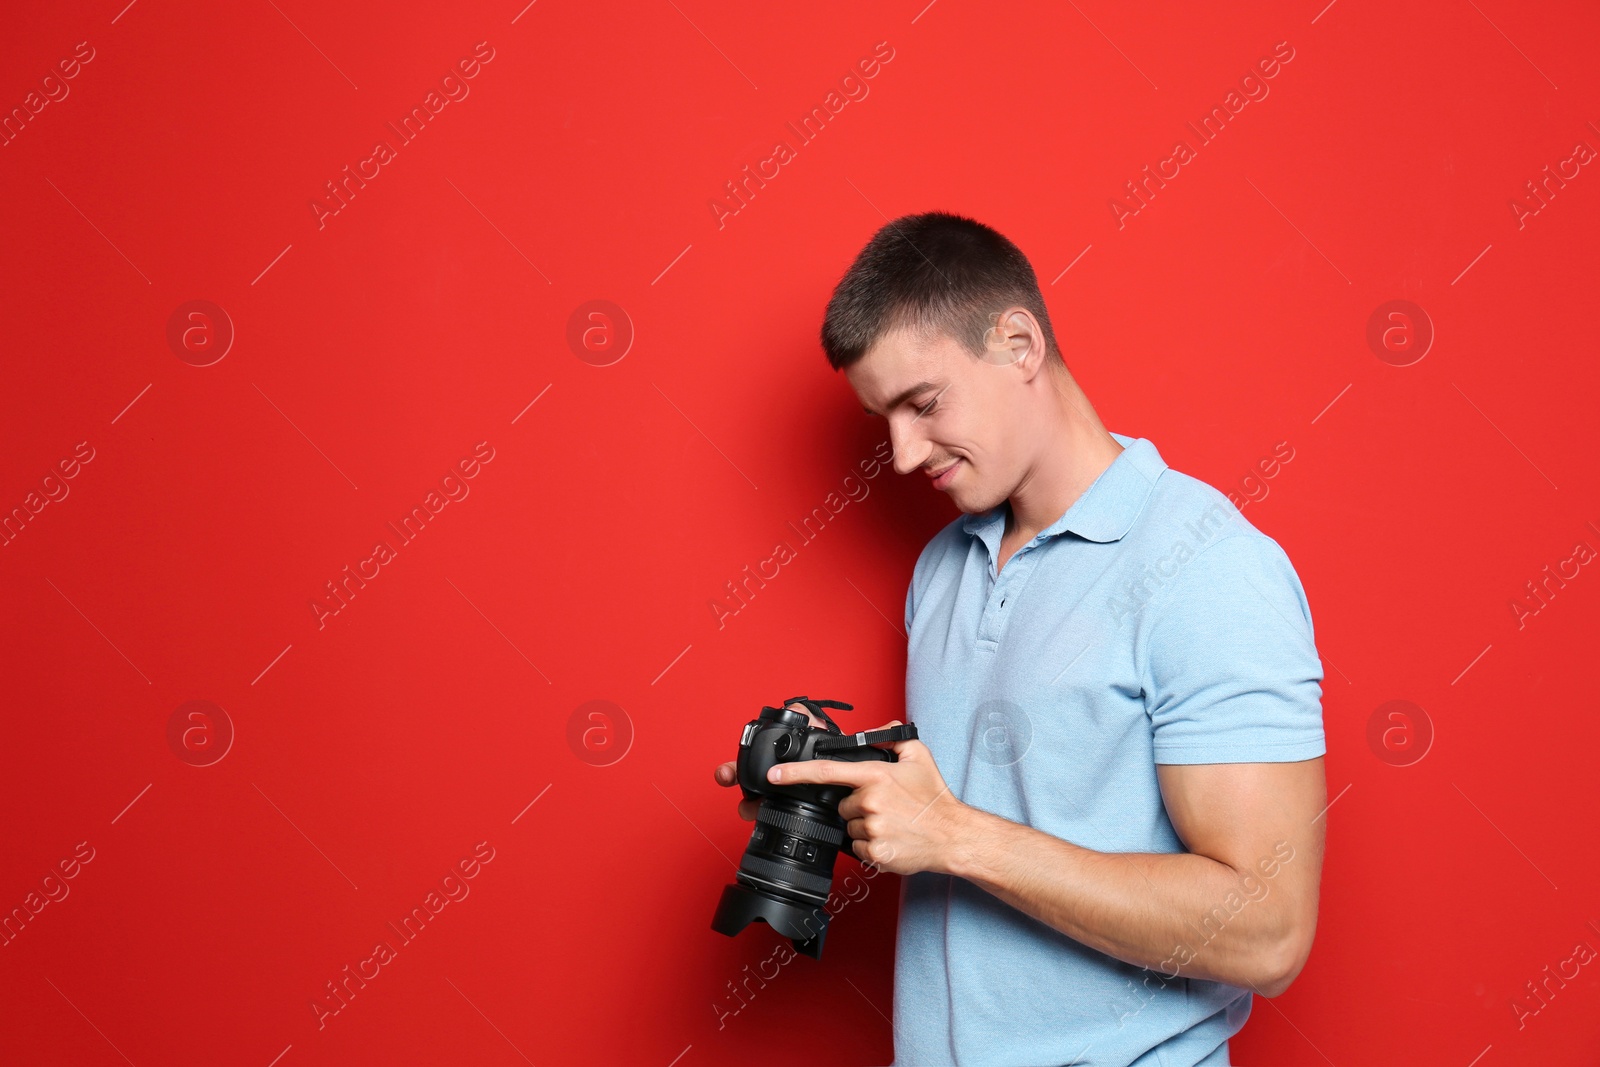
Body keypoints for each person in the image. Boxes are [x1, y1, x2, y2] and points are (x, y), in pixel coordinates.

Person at [713, 211, 1326, 1066]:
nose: (898, 454)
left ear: (1019, 343)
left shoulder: (1208, 567)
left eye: (922, 404)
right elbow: (997, 814)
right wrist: (839, 800)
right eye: (880, 417)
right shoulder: (944, 567)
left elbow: (1268, 931)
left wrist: (956, 834)